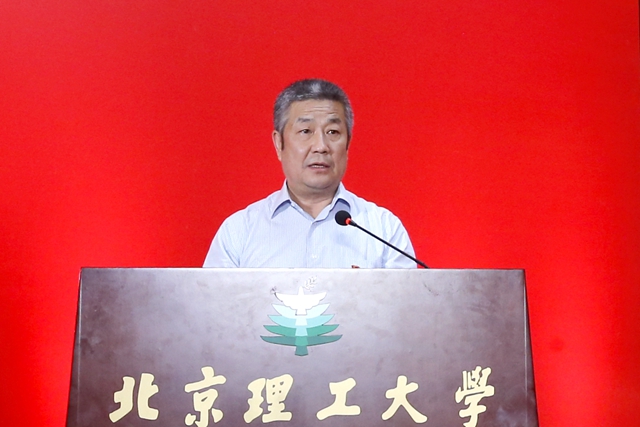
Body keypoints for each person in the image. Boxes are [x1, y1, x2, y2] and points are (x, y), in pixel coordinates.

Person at [203, 79, 416, 268]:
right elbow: (213, 301)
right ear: (279, 143)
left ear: (348, 145)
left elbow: (408, 301)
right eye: (305, 131)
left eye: (333, 132)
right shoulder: (239, 232)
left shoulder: (384, 231)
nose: (321, 146)